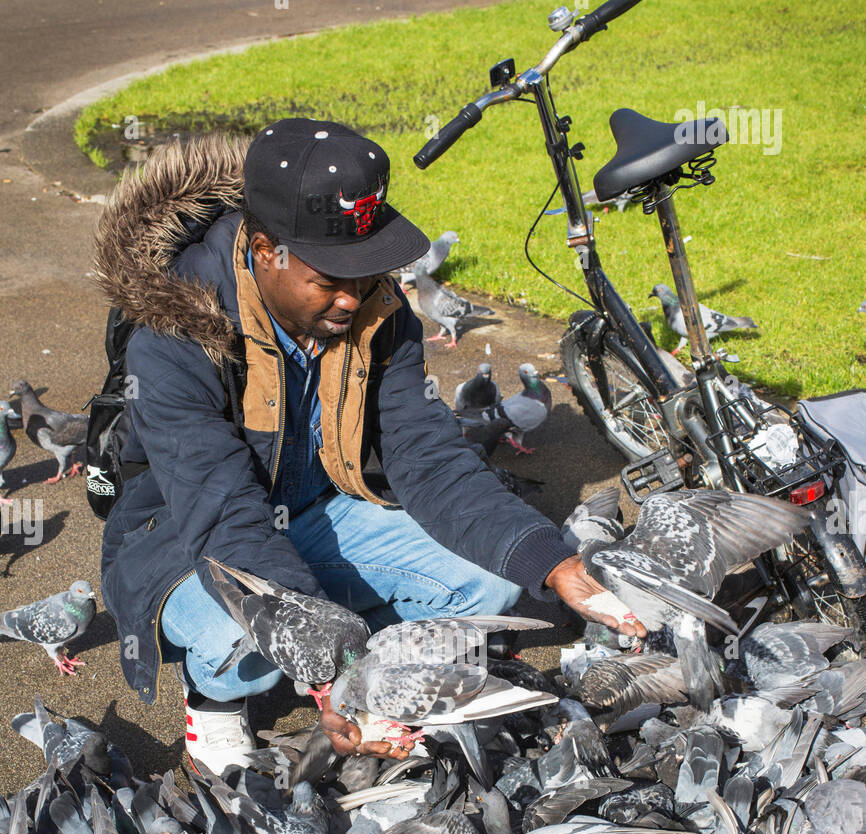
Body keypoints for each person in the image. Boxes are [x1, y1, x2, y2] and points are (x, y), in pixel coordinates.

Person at [95, 118, 642, 775]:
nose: (354, 296)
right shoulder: (172, 336)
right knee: (238, 643)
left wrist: (556, 564)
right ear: (265, 249)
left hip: (318, 509)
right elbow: (225, 516)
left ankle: (371, 660)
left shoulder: (380, 316)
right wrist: (335, 674)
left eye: (366, 270)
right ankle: (212, 703)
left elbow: (430, 460)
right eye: (332, 278)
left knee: (498, 580)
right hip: (187, 539)